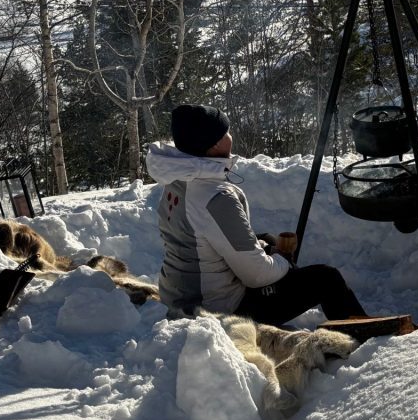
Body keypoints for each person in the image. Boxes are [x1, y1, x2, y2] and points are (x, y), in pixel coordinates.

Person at [146, 103, 367, 326]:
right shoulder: (216, 198)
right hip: (217, 311)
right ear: (212, 144)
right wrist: (282, 259)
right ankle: (362, 332)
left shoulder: (178, 179)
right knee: (326, 278)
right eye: (225, 132)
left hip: (182, 295)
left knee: (267, 240)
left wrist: (268, 249)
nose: (230, 135)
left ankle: (288, 284)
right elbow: (256, 275)